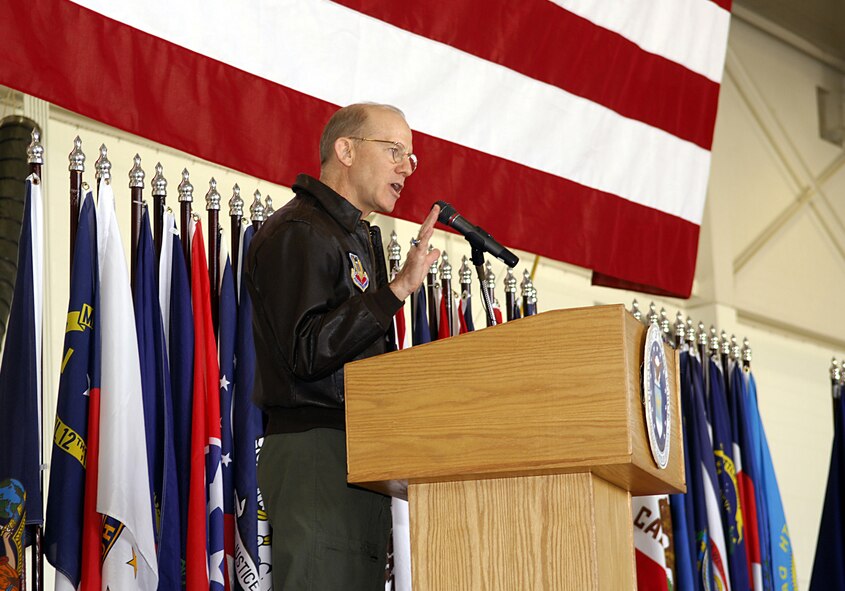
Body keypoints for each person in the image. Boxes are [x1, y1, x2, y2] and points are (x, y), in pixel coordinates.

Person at [245, 102, 440, 590]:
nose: (405, 167)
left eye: (411, 158)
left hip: (357, 454)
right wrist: (394, 292)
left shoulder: (350, 236)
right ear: (345, 149)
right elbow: (306, 351)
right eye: (394, 150)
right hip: (317, 451)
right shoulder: (301, 231)